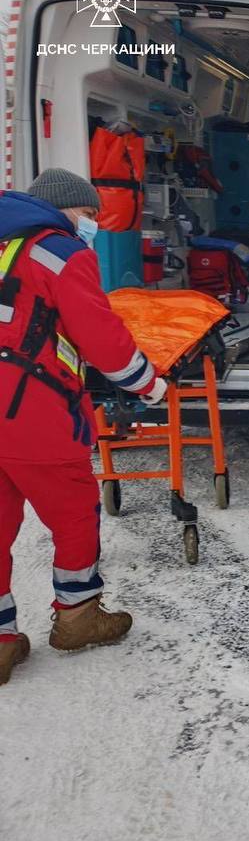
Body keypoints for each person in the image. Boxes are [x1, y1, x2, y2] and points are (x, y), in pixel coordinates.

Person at [0, 170, 168, 686]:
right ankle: (77, 617)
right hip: (33, 416)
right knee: (74, 515)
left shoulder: (6, 246)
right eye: (90, 214)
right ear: (65, 208)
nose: (94, 224)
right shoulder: (62, 253)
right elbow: (102, 337)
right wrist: (149, 385)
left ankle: (3, 641)